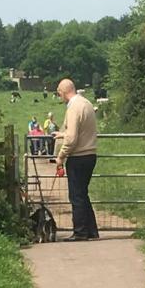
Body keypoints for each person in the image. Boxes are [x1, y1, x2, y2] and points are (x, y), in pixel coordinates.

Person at [55, 78, 98, 241]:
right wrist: (63, 134)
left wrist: (61, 156)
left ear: (63, 92)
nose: (59, 97)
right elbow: (80, 131)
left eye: (59, 93)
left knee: (76, 195)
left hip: (78, 156)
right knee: (83, 193)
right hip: (90, 153)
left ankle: (80, 231)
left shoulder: (73, 108)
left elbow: (72, 138)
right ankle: (91, 229)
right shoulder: (86, 103)